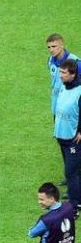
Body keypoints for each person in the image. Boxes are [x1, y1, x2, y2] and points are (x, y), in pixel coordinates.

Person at [53, 59, 81, 211]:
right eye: (60, 72)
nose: (60, 75)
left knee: (71, 172)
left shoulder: (79, 91)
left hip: (72, 140)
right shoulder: (64, 86)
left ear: (73, 74)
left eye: (64, 73)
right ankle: (75, 195)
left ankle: (75, 205)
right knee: (73, 172)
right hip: (62, 137)